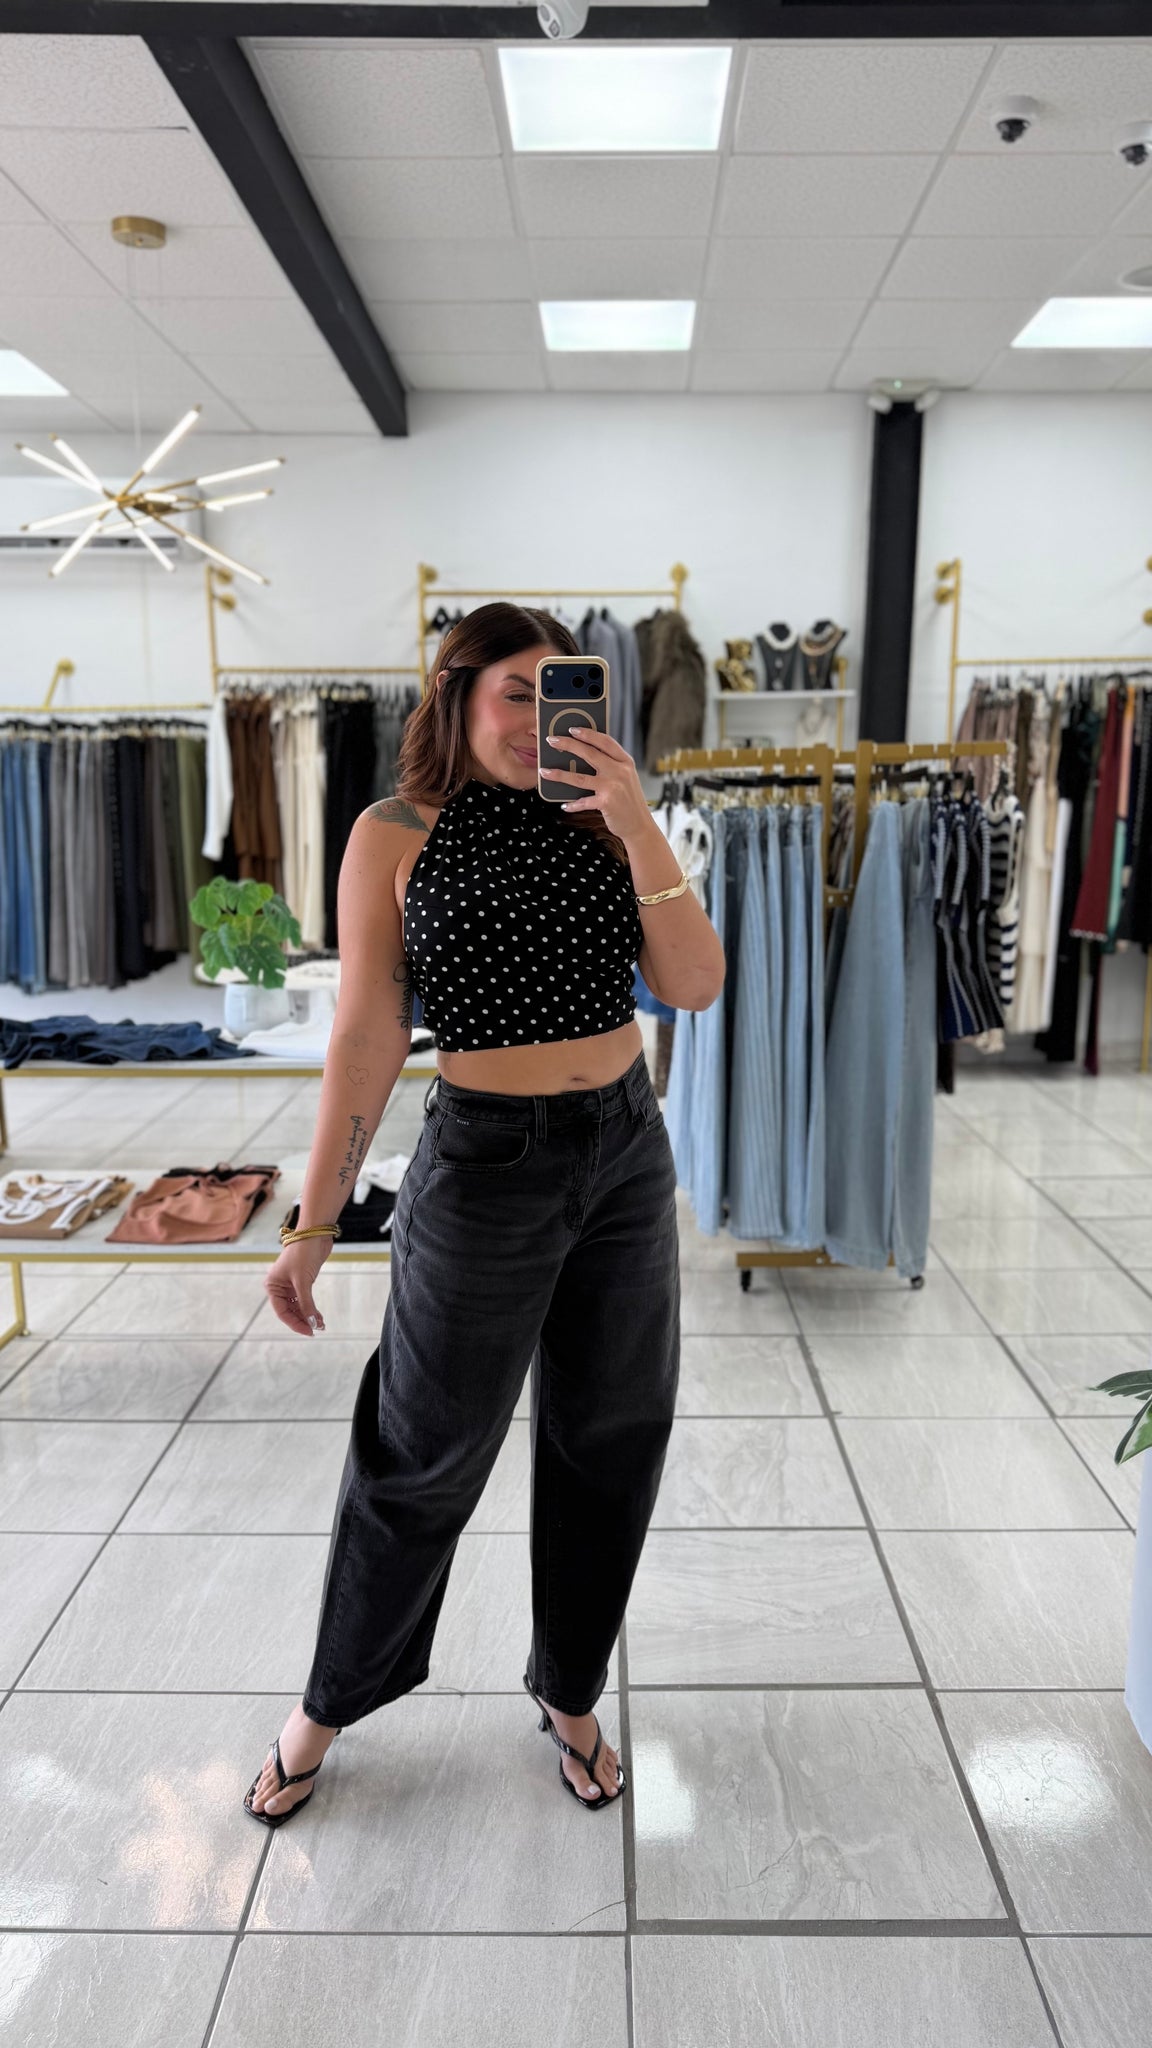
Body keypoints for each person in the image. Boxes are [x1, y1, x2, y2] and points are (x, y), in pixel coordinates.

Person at [245, 602, 725, 1826]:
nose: (536, 719)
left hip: (623, 1155)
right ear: (456, 692)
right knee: (420, 1450)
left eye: (559, 692)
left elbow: (693, 983)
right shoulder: (393, 832)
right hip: (484, 1162)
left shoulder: (608, 817)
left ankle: (570, 1691)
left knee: (611, 1437)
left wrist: (635, 821)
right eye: (517, 691)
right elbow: (366, 1031)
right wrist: (313, 1222)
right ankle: (325, 1706)